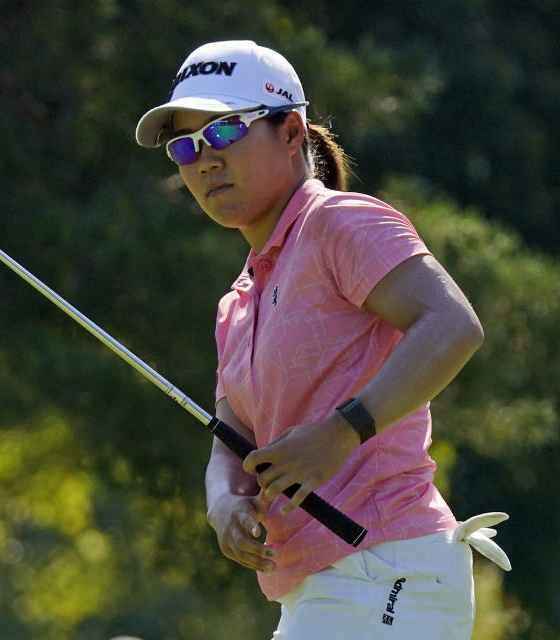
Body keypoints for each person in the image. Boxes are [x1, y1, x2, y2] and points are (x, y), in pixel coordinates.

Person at [135, 40, 510, 639]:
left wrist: (344, 430)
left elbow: (452, 324)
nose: (203, 160)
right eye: (185, 146)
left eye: (225, 132)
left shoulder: (339, 222)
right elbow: (231, 443)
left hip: (388, 569)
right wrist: (225, 503)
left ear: (290, 132)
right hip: (322, 586)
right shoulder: (237, 301)